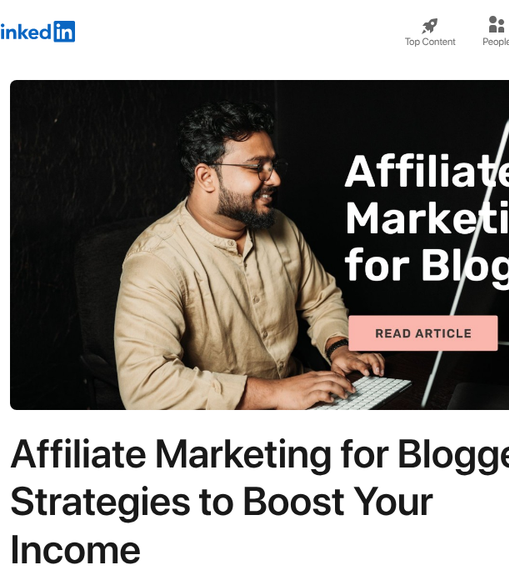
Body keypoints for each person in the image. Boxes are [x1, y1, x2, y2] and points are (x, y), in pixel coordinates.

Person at [114, 101, 386, 409]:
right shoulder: (156, 261)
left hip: (304, 400)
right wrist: (275, 393)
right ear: (206, 177)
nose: (275, 180)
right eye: (257, 167)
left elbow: (321, 299)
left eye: (273, 166)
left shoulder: (281, 226)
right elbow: (147, 386)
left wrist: (339, 347)